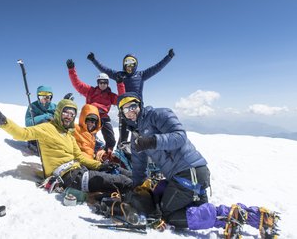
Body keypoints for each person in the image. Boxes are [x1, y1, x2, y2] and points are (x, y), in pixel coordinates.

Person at [116, 92, 279, 238]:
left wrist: (152, 141)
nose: (130, 112)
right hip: (185, 176)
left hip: (189, 172)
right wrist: (137, 191)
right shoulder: (135, 137)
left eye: (133, 106)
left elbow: (179, 136)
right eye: (125, 110)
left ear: (140, 105)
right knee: (196, 211)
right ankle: (256, 216)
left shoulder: (158, 114)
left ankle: (229, 216)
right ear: (122, 114)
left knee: (168, 214)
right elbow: (138, 168)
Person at [0, 98, 133, 194]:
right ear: (59, 113)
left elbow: (79, 157)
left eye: (72, 114)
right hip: (67, 177)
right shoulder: (46, 128)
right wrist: (3, 120)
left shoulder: (67, 133)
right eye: (66, 113)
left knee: (120, 171)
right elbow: (22, 134)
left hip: (78, 169)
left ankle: (145, 183)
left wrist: (100, 166)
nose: (69, 117)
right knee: (122, 181)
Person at [87, 49, 175, 145]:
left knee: (139, 134)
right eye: (127, 64)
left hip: (137, 110)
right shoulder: (119, 75)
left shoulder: (141, 75)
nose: (129, 66)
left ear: (135, 65)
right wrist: (94, 60)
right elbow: (105, 70)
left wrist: (168, 57)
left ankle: (140, 155)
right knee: (123, 135)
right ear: (124, 65)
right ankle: (120, 155)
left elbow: (157, 68)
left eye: (132, 64)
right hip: (124, 110)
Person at [66, 59, 125, 158]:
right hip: (91, 117)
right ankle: (88, 151)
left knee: (111, 140)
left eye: (105, 83)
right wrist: (71, 70)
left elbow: (122, 100)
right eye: (101, 83)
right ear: (98, 83)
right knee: (87, 136)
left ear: (107, 83)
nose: (103, 85)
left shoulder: (110, 95)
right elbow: (78, 84)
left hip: (104, 118)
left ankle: (106, 154)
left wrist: (120, 84)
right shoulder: (90, 91)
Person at [24, 85, 56, 152]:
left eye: (47, 97)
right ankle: (34, 144)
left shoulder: (55, 107)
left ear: (51, 97)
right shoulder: (32, 106)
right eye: (42, 97)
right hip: (36, 135)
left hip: (51, 136)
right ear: (38, 97)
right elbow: (28, 123)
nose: (44, 99)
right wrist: (45, 116)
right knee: (44, 121)